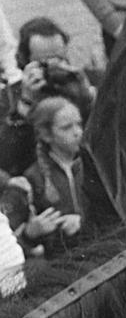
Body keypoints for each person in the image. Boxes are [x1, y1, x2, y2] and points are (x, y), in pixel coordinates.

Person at [0, 18, 96, 177]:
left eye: (59, 60)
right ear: (24, 61)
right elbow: (6, 161)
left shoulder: (80, 82)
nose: (53, 68)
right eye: (44, 63)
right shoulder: (8, 98)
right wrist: (24, 106)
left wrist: (89, 99)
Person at [21, 97, 86, 257]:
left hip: (106, 253)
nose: (77, 132)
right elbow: (18, 245)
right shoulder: (33, 177)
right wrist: (30, 232)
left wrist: (82, 222)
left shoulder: (94, 165)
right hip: (64, 265)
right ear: (46, 135)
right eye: (66, 128)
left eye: (79, 124)